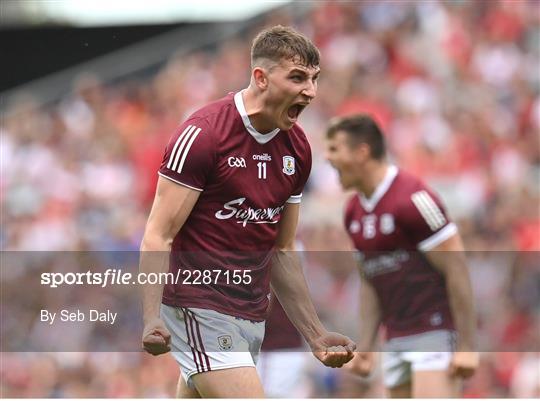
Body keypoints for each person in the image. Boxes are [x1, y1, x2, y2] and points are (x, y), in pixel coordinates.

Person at [139, 25, 355, 398]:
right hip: (198, 305)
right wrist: (150, 318)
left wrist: (315, 333)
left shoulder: (297, 150)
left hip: (250, 315)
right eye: (298, 77)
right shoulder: (204, 135)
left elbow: (282, 249)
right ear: (261, 77)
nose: (311, 91)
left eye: (315, 79)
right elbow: (159, 233)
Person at [325, 114, 479, 398]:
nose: (327, 158)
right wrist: (368, 346)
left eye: (335, 149)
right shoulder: (353, 212)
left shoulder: (413, 198)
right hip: (395, 338)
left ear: (362, 152)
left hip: (434, 330)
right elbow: (371, 281)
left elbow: (456, 266)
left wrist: (468, 346)